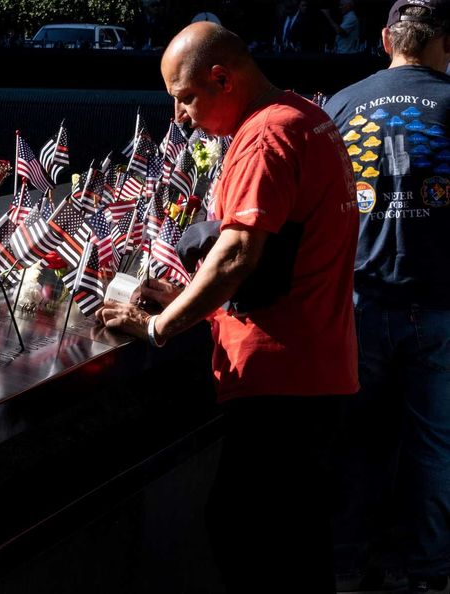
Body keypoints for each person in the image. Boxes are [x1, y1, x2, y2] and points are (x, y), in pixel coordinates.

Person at [97, 22, 359, 593]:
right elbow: (282, 259)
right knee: (299, 541)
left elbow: (238, 252)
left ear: (222, 78)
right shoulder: (307, 119)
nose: (179, 118)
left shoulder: (264, 136)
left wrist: (159, 324)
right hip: (321, 368)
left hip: (280, 379)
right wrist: (193, 300)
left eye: (185, 98)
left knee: (246, 535)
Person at [322, 1, 450, 591]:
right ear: (443, 44)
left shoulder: (342, 104)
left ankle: (346, 567)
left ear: (384, 39)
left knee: (356, 444)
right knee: (432, 451)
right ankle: (429, 574)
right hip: (439, 303)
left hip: (360, 303)